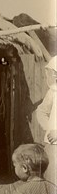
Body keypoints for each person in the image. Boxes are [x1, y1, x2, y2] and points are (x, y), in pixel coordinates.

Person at [36, 55, 57, 185]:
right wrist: (48, 128)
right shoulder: (53, 92)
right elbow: (41, 111)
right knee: (51, 183)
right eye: (54, 73)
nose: (54, 76)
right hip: (52, 146)